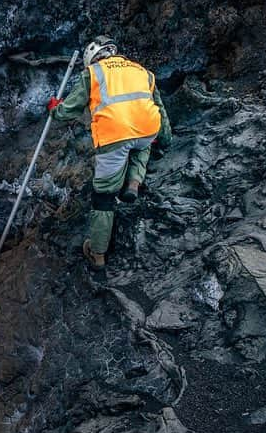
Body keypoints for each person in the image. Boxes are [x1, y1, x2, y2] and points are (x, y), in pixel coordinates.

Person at [47, 35, 172, 270]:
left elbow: (68, 110)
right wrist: (165, 139)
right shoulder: (141, 71)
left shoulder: (92, 74)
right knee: (143, 144)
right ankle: (134, 181)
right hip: (147, 129)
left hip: (114, 136)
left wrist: (55, 109)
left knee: (103, 197)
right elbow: (159, 108)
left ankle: (97, 254)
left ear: (92, 59)